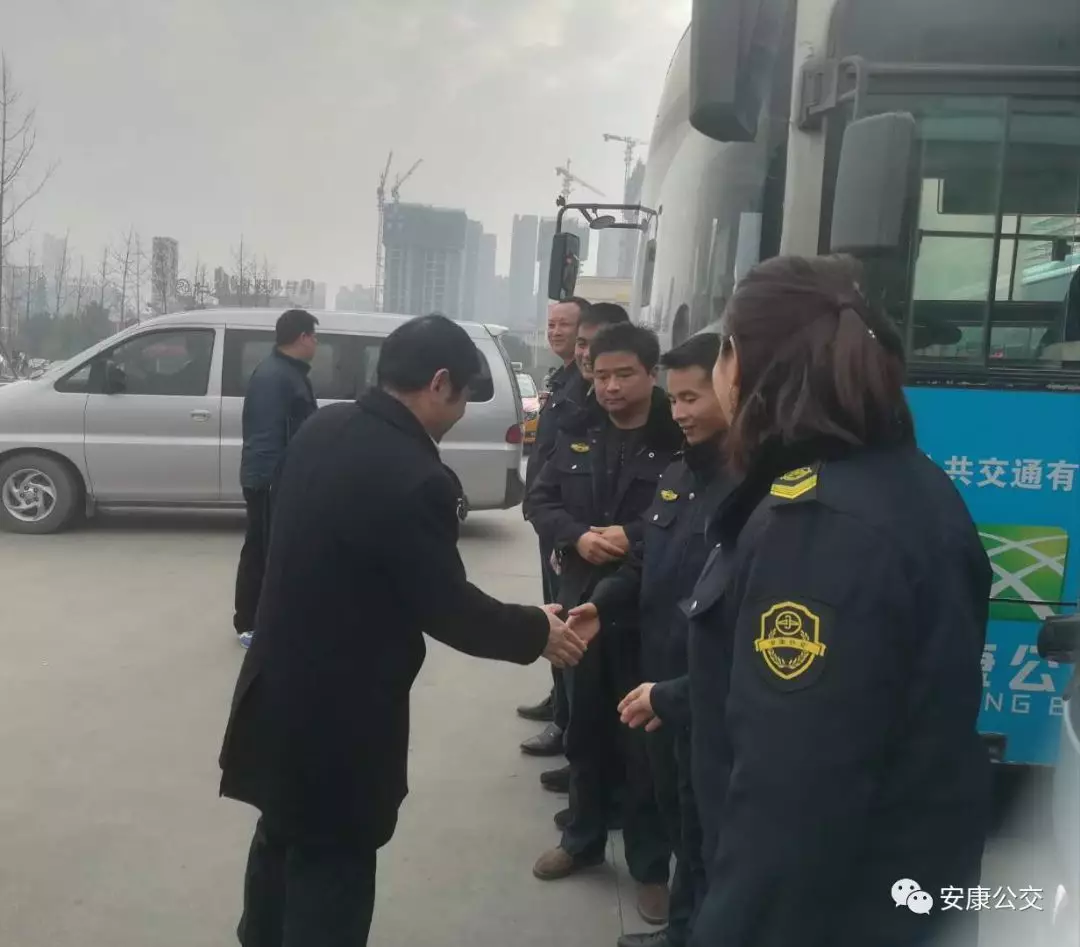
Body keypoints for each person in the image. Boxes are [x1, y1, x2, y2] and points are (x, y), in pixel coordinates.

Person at [621, 255, 991, 947]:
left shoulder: (815, 525)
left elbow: (790, 805)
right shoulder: (904, 481)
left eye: (722, 348)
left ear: (740, 363)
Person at [218, 314, 590, 947]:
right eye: (464, 396)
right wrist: (538, 631)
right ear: (439, 382)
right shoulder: (415, 476)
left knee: (278, 843)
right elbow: (446, 608)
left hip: (275, 694)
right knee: (332, 870)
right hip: (341, 722)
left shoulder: (322, 427)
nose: (461, 412)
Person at [572, 333, 732, 947]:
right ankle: (681, 931)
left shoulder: (752, 491)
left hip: (706, 694)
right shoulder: (680, 474)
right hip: (659, 681)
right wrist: (600, 604)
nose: (681, 411)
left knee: (707, 834)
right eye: (677, 397)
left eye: (693, 397)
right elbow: (647, 562)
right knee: (679, 817)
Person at [530, 322, 681, 928]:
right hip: (581, 606)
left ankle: (649, 868)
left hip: (649, 613)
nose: (611, 387)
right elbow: (539, 501)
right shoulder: (577, 428)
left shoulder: (679, 438)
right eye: (601, 375)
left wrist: (633, 536)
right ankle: (582, 840)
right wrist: (576, 537)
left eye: (625, 375)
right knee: (585, 731)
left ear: (651, 374)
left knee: (645, 746)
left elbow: (697, 517)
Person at [517, 298, 592, 746]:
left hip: (568, 522)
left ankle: (566, 720)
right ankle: (558, 698)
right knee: (554, 607)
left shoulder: (586, 386)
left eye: (567, 325)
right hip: (550, 518)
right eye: (552, 324)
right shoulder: (562, 379)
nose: (556, 331)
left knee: (565, 614)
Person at [233, 308, 319, 649]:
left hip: (277, 477)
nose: (316, 343)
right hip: (269, 479)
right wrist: (275, 480)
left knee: (276, 550)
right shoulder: (274, 376)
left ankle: (273, 620)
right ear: (302, 337)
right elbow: (266, 435)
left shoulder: (289, 373)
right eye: (314, 336)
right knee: (263, 551)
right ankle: (251, 625)